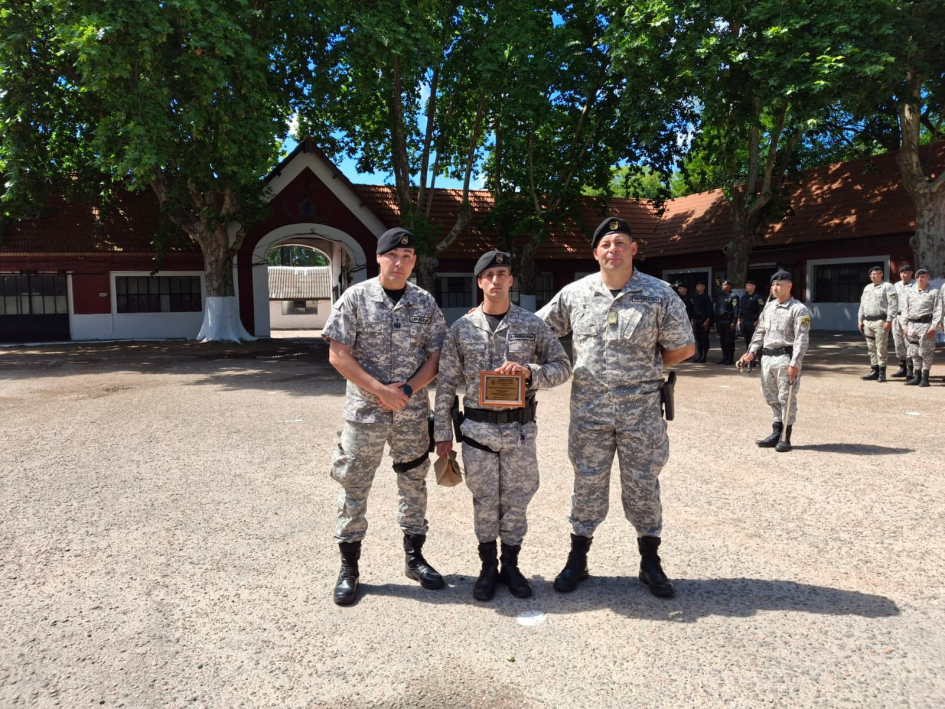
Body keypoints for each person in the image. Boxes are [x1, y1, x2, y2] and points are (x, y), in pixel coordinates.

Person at [538, 217, 695, 598]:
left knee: (643, 485)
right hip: (589, 412)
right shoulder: (575, 294)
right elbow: (537, 330)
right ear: (595, 253)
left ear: (633, 249)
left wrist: (648, 370)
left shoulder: (659, 294)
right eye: (606, 244)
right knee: (587, 483)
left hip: (640, 414)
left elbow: (684, 347)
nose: (613, 250)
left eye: (620, 242)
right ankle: (578, 558)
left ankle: (650, 561)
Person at [433, 251, 571, 600]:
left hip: (519, 434)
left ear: (511, 280)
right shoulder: (461, 329)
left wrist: (531, 373)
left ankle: (511, 565)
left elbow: (563, 367)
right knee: (483, 500)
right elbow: (446, 384)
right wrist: (442, 436)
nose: (496, 280)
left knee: (517, 500)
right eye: (489, 274)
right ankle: (487, 567)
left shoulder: (532, 325)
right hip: (477, 433)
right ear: (480, 282)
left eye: (503, 273)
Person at [321, 227, 448, 606]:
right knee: (354, 486)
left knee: (414, 484)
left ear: (413, 262)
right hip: (364, 414)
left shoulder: (424, 303)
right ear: (378, 258)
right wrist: (382, 391)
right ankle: (349, 568)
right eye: (393, 255)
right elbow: (338, 355)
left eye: (407, 256)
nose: (399, 262)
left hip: (410, 414)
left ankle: (414, 558)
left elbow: (436, 357)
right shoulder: (355, 298)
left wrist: (406, 391)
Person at [737, 271, 811, 453]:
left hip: (786, 358)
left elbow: (802, 339)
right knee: (770, 396)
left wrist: (795, 364)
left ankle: (785, 436)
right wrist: (750, 353)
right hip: (767, 358)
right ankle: (776, 432)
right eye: (773, 285)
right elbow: (760, 332)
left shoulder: (799, 309)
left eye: (779, 284)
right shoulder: (768, 307)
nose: (775, 288)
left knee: (786, 397)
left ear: (789, 286)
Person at [901, 268, 942, 388]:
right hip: (912, 325)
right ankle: (916, 376)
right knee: (913, 352)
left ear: (928, 278)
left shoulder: (934, 292)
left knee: (926, 352)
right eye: (918, 277)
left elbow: (938, 310)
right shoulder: (910, 292)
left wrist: (934, 326)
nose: (920, 278)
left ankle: (925, 377)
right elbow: (905, 310)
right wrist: (904, 326)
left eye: (923, 276)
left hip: (926, 325)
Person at [857, 266, 898, 383]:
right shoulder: (867, 288)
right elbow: (862, 305)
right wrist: (860, 320)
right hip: (867, 322)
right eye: (871, 275)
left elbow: (893, 304)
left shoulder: (888, 287)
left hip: (881, 322)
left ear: (881, 274)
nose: (873, 276)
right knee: (871, 348)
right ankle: (874, 370)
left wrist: (889, 320)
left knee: (881, 347)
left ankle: (882, 372)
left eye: (875, 274)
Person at [892, 265, 916, 378]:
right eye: (901, 272)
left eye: (906, 272)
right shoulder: (895, 286)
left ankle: (911, 369)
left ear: (911, 273)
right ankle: (902, 368)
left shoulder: (916, 285)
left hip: (909, 319)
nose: (903, 274)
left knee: (909, 343)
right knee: (898, 343)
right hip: (897, 317)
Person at [713, 279, 740, 364]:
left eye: (724, 285)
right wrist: (715, 321)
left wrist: (734, 321)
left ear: (729, 286)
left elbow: (735, 309)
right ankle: (724, 357)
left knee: (729, 341)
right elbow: (717, 309)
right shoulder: (720, 296)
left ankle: (730, 358)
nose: (723, 287)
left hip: (729, 321)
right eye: (722, 285)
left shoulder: (733, 296)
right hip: (720, 321)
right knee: (722, 340)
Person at [737, 280, 766, 353]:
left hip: (753, 321)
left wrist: (758, 320)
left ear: (754, 287)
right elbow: (741, 308)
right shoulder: (744, 297)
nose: (746, 287)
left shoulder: (757, 297)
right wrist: (739, 319)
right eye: (746, 285)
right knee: (747, 340)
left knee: (754, 340)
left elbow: (761, 309)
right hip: (744, 321)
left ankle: (754, 357)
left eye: (749, 285)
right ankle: (748, 355)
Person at [690, 281, 713, 363]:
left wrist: (708, 320)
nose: (697, 288)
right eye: (697, 286)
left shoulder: (706, 297)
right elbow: (693, 309)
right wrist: (692, 319)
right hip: (696, 320)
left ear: (703, 287)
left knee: (704, 339)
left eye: (699, 286)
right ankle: (699, 355)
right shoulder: (695, 297)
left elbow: (709, 310)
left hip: (703, 320)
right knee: (697, 338)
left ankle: (704, 356)